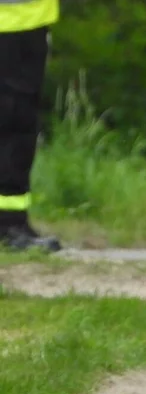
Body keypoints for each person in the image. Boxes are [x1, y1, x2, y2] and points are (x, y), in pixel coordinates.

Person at [0, 0, 61, 251]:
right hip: (14, 22)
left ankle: (10, 223)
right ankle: (7, 226)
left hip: (25, 21)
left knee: (17, 122)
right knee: (14, 121)